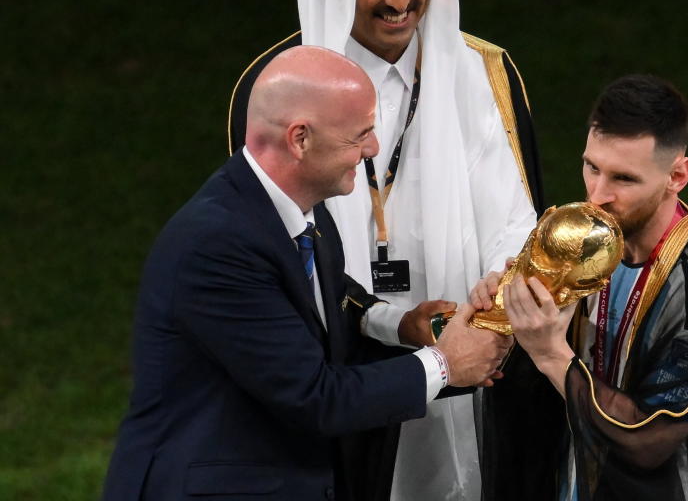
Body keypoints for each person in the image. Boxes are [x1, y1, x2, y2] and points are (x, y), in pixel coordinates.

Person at [226, 0, 543, 501]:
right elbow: (274, 249)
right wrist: (390, 323)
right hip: (338, 358)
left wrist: (499, 292)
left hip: (471, 344)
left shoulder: (482, 72)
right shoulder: (279, 87)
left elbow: (514, 217)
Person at [100, 46, 511, 501]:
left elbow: (327, 309)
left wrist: (409, 327)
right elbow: (316, 396)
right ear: (300, 139)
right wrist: (447, 364)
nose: (372, 148)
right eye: (360, 135)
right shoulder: (216, 245)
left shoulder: (299, 212)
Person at [474, 75, 688, 500]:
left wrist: (550, 350)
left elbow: (648, 441)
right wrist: (506, 310)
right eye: (592, 167)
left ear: (676, 176)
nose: (597, 195)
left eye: (623, 179)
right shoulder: (589, 243)